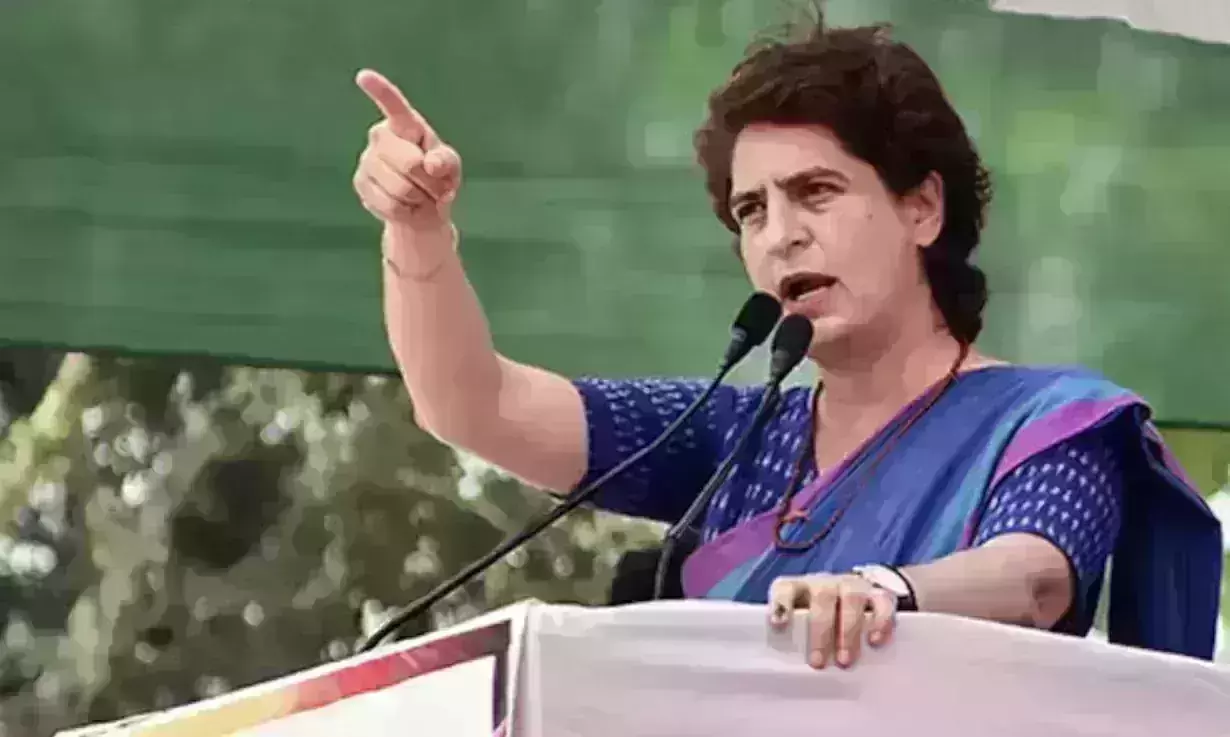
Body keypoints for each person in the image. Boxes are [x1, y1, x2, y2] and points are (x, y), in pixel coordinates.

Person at [350, 12, 1222, 666]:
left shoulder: (1050, 420)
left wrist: (886, 592)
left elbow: (1032, 577)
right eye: (751, 210)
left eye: (816, 192)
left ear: (922, 207)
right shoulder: (735, 438)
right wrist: (417, 231)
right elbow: (473, 403)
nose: (779, 235)